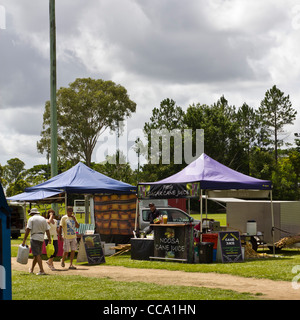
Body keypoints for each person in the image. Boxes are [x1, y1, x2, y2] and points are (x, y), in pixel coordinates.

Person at [22, 208, 51, 275]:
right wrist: (49, 239)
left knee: (37, 254)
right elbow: (47, 230)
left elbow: (28, 230)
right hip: (41, 237)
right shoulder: (43, 219)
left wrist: (24, 240)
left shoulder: (31, 219)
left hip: (34, 237)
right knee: (36, 254)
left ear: (32, 213)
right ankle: (31, 269)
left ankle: (42, 270)